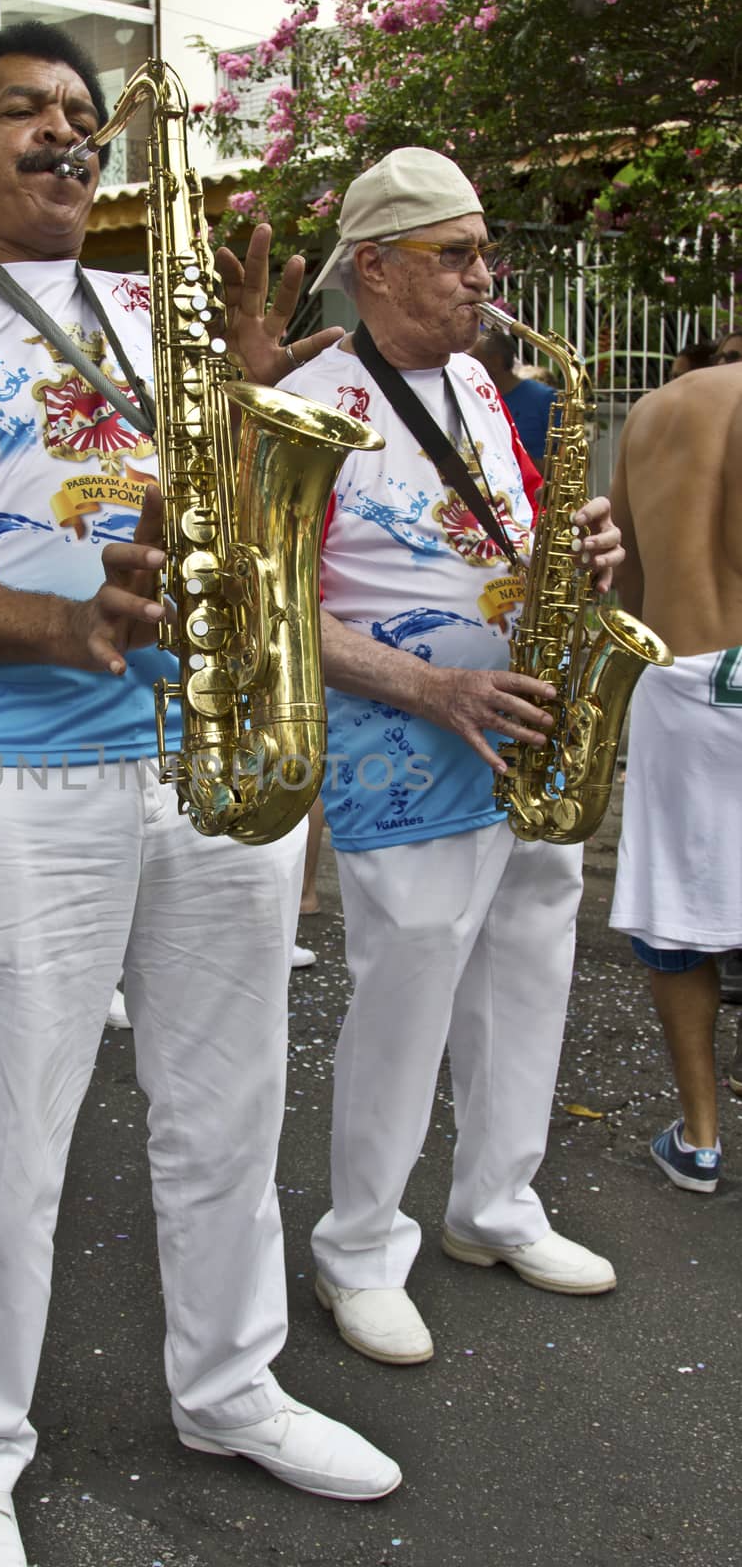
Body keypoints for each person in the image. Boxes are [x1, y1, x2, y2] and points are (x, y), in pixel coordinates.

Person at [0, 22, 399, 1567]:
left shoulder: (159, 315)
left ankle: (231, 1385)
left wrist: (249, 411)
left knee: (225, 1113)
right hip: (17, 775)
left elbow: (205, 523)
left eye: (83, 116)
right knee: (5, 1137)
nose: (69, 135)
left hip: (202, 763)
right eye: (26, 112)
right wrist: (73, 626)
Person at [271, 147, 623, 1367]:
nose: (485, 275)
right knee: (411, 984)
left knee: (530, 959)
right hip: (403, 735)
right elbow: (276, 606)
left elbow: (509, 526)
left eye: (484, 251)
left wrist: (586, 545)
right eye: (457, 254)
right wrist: (432, 682)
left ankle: (495, 1202)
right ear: (373, 266)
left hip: (521, 719)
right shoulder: (311, 402)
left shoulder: (480, 385)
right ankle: (358, 1246)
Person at [607, 362, 742, 1192]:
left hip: (673, 674)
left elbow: (622, 577)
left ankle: (698, 1137)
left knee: (677, 907)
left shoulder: (655, 409)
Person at [470, 325, 558, 467]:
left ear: (495, 362)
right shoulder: (473, 399)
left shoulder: (544, 398)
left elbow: (571, 462)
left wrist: (522, 459)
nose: (466, 367)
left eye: (472, 360)